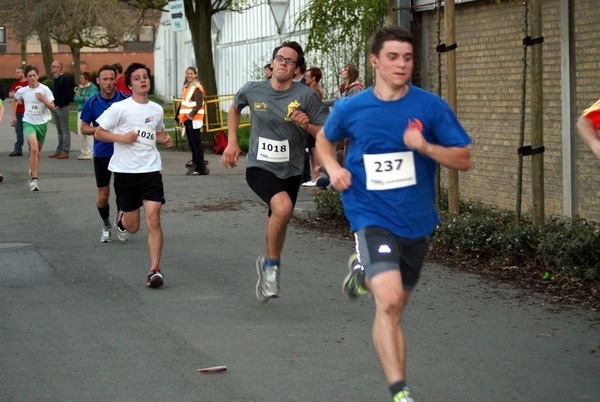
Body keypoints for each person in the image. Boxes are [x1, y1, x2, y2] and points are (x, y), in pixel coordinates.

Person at [316, 26, 472, 402]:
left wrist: (425, 146)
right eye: (392, 57)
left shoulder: (430, 106)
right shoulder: (352, 107)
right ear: (374, 62)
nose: (401, 64)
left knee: (395, 305)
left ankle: (362, 274)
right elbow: (324, 138)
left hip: (416, 220)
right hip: (368, 213)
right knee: (387, 301)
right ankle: (400, 392)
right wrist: (332, 168)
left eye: (407, 57)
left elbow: (463, 159)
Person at [222, 41, 329, 303]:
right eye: (279, 58)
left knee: (279, 218)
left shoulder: (306, 96)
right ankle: (271, 268)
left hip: (291, 169)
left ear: (296, 69)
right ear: (272, 63)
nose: (283, 63)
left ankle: (268, 264)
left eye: (289, 61)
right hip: (260, 166)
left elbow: (326, 132)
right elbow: (235, 107)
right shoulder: (253, 89)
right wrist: (232, 141)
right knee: (282, 209)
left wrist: (308, 126)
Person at [95, 62, 174, 287]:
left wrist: (164, 138)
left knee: (154, 218)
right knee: (133, 227)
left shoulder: (156, 109)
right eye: (137, 78)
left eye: (145, 76)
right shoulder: (121, 108)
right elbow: (99, 133)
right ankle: (122, 216)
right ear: (129, 84)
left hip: (150, 171)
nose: (143, 80)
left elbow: (156, 133)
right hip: (125, 172)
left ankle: (154, 270)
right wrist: (121, 138)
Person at [80, 64, 130, 243]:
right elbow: (83, 128)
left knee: (122, 192)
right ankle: (106, 225)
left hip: (123, 152)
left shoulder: (126, 99)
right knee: (103, 195)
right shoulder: (92, 102)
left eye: (111, 79)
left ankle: (121, 225)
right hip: (102, 153)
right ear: (98, 81)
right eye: (105, 79)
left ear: (115, 80)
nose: (109, 83)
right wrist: (101, 130)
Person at [11, 65, 56, 192]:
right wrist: (13, 116)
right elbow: (14, 100)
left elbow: (53, 107)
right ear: (26, 77)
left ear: (37, 76)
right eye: (29, 76)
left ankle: (33, 168)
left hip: (42, 123)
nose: (32, 78)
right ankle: (34, 179)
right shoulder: (23, 91)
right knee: (34, 149)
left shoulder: (45, 89)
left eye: (34, 75)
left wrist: (42, 100)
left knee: (38, 152)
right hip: (28, 122)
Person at [179, 66, 208, 175]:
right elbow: (184, 103)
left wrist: (191, 114)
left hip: (194, 119)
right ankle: (196, 165)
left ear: (195, 75)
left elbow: (199, 103)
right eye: (188, 73)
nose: (189, 75)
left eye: (191, 73)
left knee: (196, 144)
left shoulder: (196, 87)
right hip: (188, 118)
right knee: (192, 143)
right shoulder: (187, 86)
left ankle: (200, 168)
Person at [301, 67, 325, 187]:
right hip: (311, 123)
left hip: (315, 124)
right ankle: (314, 176)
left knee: (315, 150)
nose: (306, 78)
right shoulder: (311, 89)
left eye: (308, 76)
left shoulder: (315, 91)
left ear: (314, 78)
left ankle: (317, 176)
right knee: (312, 150)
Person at [48, 61, 75, 159]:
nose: (52, 68)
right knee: (59, 130)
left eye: (54, 66)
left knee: (65, 130)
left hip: (62, 107)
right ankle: (59, 150)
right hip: (56, 107)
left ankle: (65, 151)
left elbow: (68, 95)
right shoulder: (55, 79)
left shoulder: (64, 79)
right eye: (52, 66)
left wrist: (60, 104)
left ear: (59, 68)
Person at [74, 72, 99, 160]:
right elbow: (75, 98)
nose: (80, 80)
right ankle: (83, 151)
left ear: (87, 79)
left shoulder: (93, 88)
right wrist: (83, 98)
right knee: (80, 132)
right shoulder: (79, 88)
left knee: (88, 132)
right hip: (80, 110)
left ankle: (90, 152)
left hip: (89, 111)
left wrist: (84, 98)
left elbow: (91, 98)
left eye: (82, 78)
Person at [8, 67, 29, 157]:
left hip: (27, 111)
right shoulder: (15, 84)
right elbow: (10, 94)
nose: (16, 74)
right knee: (18, 131)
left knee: (29, 131)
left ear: (23, 73)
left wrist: (16, 94)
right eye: (15, 72)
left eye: (18, 72)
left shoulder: (27, 83)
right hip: (18, 111)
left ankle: (32, 149)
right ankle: (18, 149)